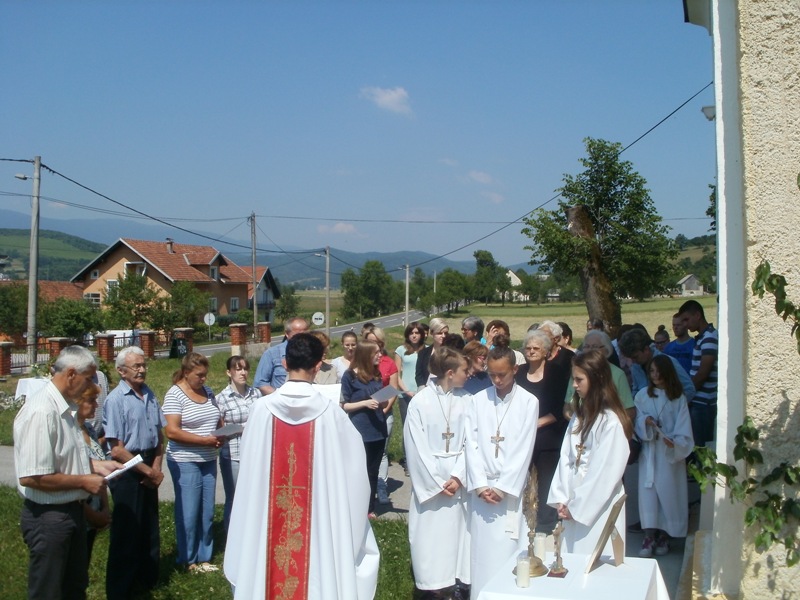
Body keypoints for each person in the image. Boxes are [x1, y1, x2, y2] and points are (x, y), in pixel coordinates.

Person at [224, 333, 380, 599]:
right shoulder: (332, 415)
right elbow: (356, 479)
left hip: (268, 521)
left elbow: (250, 474)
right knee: (317, 573)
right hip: (318, 524)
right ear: (318, 366)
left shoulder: (261, 410)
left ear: (284, 363)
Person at [14, 345, 120, 599]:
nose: (90, 386)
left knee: (74, 588)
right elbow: (32, 476)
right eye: (88, 379)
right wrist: (84, 480)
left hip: (70, 512)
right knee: (48, 592)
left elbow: (61, 458)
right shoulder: (43, 411)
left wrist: (95, 466)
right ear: (72, 374)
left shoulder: (66, 408)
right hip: (49, 517)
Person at [465, 336, 539, 596]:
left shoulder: (529, 402)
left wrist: (503, 487)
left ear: (515, 370)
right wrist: (481, 484)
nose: (496, 381)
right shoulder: (477, 400)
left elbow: (523, 448)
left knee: (507, 549)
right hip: (482, 489)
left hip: (507, 491)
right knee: (481, 554)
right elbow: (470, 444)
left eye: (502, 375)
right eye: (492, 375)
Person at [548, 350, 633, 555]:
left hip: (596, 505)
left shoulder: (610, 422)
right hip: (571, 499)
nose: (574, 385)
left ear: (597, 379)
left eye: (579, 380)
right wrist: (562, 498)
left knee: (593, 558)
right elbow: (566, 459)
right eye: (573, 379)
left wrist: (577, 507)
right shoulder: (579, 418)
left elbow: (605, 473)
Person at [405, 347, 471, 599]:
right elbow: (415, 446)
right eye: (465, 370)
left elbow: (471, 443)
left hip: (457, 480)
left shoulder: (467, 400)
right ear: (451, 373)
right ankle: (431, 588)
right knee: (431, 539)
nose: (469, 374)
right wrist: (436, 483)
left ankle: (457, 585)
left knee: (457, 536)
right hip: (431, 486)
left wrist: (458, 477)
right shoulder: (420, 402)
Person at [103, 346, 166, 598]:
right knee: (127, 530)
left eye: (143, 365)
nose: (142, 370)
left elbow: (158, 436)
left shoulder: (148, 393)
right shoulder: (116, 400)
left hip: (149, 463)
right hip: (128, 468)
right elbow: (116, 449)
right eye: (136, 366)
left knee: (148, 526)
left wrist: (156, 467)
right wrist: (146, 472)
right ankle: (121, 589)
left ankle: (147, 579)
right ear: (121, 371)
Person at [163, 352, 223, 573]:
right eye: (199, 375)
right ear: (187, 373)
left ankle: (204, 555)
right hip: (184, 459)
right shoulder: (174, 395)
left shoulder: (207, 392)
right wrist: (203, 440)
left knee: (207, 510)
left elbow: (216, 416)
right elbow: (172, 431)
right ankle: (187, 559)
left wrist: (221, 434)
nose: (204, 379)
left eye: (205, 375)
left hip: (208, 458)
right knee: (189, 511)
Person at [634, 355, 694, 558]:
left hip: (669, 454)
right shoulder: (643, 395)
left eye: (659, 371)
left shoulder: (678, 398)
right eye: (651, 371)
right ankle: (649, 535)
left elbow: (683, 425)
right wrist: (645, 422)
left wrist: (676, 441)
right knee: (648, 495)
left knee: (668, 494)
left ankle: (664, 535)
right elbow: (637, 417)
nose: (655, 375)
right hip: (650, 451)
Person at [515, 328, 569, 533]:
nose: (531, 351)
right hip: (522, 435)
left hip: (548, 436)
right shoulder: (518, 372)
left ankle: (546, 524)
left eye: (536, 348)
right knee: (523, 478)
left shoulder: (556, 372)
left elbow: (560, 407)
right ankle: (523, 519)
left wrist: (537, 423)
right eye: (528, 348)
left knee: (546, 480)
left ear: (546, 351)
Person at [341, 340, 389, 517]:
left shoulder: (376, 374)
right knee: (358, 470)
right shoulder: (349, 376)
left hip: (378, 429)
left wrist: (383, 400)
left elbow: (380, 397)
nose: (380, 355)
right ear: (366, 354)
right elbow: (344, 405)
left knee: (373, 470)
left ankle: (369, 507)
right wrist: (364, 403)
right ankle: (355, 505)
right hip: (359, 430)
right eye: (376, 352)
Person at [216, 355, 261, 533]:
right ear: (229, 372)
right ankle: (232, 536)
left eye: (245, 368)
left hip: (255, 453)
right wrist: (244, 427)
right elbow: (219, 428)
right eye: (238, 369)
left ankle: (253, 534)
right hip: (233, 454)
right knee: (234, 497)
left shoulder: (256, 394)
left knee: (255, 497)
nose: (242, 373)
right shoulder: (221, 398)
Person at [364, 326, 399, 505]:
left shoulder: (388, 363)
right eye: (369, 341)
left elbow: (392, 389)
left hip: (384, 413)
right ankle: (365, 489)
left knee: (382, 452)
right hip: (363, 415)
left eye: (375, 342)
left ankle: (381, 486)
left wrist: (383, 409)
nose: (373, 345)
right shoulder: (360, 363)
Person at [76, 383, 111, 563]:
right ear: (77, 402)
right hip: (80, 506)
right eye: (91, 400)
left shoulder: (89, 429)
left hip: (96, 501)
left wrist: (105, 508)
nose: (96, 405)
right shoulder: (70, 433)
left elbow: (101, 471)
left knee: (84, 562)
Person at [678, 299, 719, 449]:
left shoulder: (709, 337)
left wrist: (687, 393)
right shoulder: (702, 337)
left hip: (704, 403)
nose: (685, 325)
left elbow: (703, 372)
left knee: (701, 447)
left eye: (687, 319)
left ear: (697, 315)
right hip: (698, 401)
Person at [618, 327, 696, 402]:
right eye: (631, 358)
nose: (633, 361)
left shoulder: (668, 362)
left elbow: (689, 389)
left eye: (635, 357)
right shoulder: (635, 366)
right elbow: (636, 390)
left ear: (646, 349)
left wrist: (673, 407)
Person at [254, 316, 309, 394]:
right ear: (287, 333)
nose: (302, 338)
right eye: (298, 334)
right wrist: (279, 396)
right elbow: (261, 383)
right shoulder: (272, 354)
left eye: (305, 334)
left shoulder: (312, 353)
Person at [395, 321, 425, 425]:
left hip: (423, 393)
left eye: (417, 333)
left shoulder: (427, 350)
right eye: (411, 333)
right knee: (407, 426)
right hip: (406, 394)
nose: (414, 335)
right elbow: (396, 375)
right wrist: (406, 391)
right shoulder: (400, 350)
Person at [416, 318, 449, 387]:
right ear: (431, 333)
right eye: (439, 333)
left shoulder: (451, 352)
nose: (443, 336)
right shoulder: (423, 353)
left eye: (445, 333)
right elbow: (419, 376)